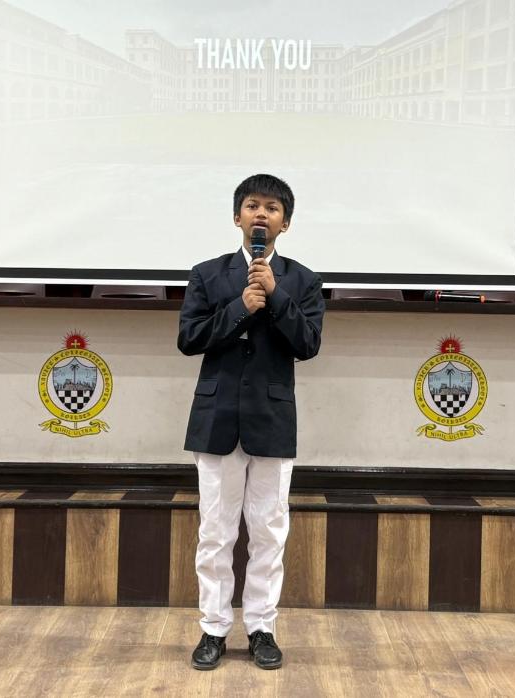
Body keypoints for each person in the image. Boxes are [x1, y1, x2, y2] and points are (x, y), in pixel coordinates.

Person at [177, 173, 324, 670]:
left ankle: (262, 627)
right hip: (217, 417)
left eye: (273, 208)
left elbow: (308, 344)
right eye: (253, 205)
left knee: (268, 533)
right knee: (215, 533)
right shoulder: (207, 274)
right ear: (237, 216)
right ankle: (213, 629)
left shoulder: (302, 281)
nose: (262, 214)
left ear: (286, 223)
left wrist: (276, 296)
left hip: (272, 420)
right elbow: (189, 339)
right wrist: (240, 307)